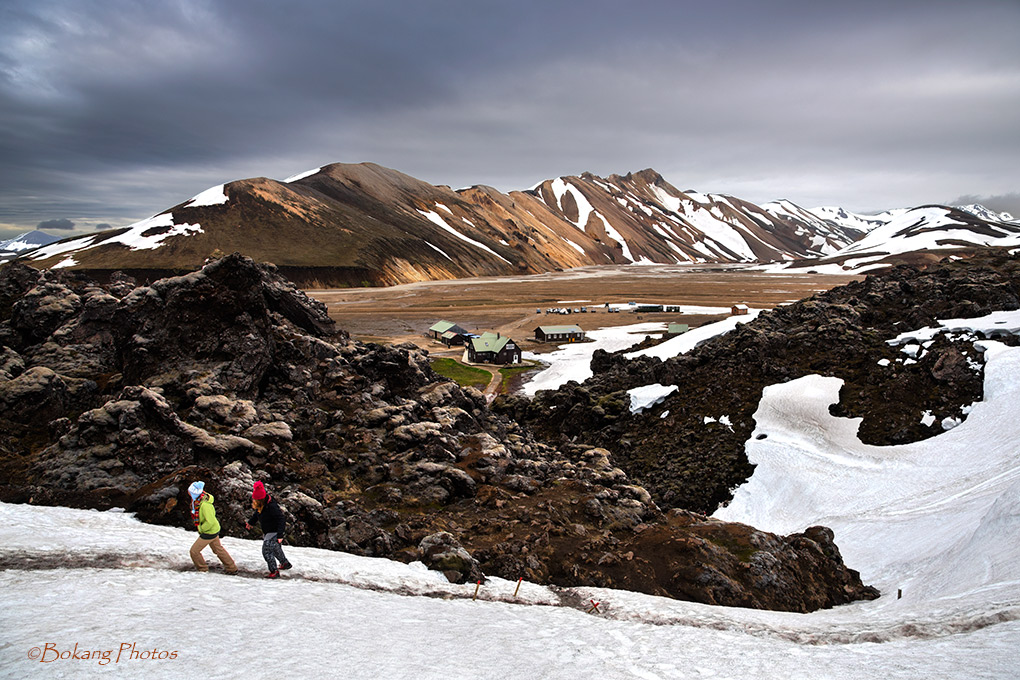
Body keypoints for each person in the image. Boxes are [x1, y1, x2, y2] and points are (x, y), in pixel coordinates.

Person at [188, 481, 237, 575]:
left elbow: (210, 521)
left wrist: (202, 529)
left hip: (209, 531)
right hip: (213, 529)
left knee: (194, 551)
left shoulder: (205, 505)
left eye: (190, 491)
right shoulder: (198, 501)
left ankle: (202, 570)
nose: (188, 493)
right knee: (218, 549)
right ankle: (231, 568)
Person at [246, 481, 292, 578]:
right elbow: (257, 514)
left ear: (259, 500)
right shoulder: (262, 505)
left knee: (266, 551)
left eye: (254, 500)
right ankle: (285, 563)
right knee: (275, 548)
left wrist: (280, 535)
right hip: (269, 531)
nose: (253, 501)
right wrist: (251, 522)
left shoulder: (271, 507)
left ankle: (274, 571)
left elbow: (281, 519)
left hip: (274, 531)